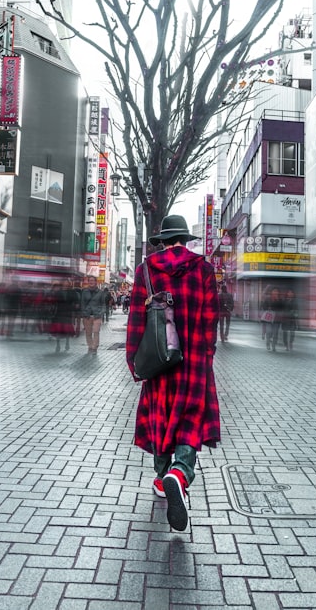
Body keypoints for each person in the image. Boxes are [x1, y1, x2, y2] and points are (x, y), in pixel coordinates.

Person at [125, 215, 220, 532]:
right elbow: (210, 319)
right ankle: (179, 473)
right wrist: (206, 354)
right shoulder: (203, 268)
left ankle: (162, 476)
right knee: (190, 419)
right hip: (192, 361)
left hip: (158, 358)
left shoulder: (146, 270)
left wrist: (133, 360)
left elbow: (137, 318)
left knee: (160, 417)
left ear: (163, 241)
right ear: (186, 240)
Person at [80, 277, 108, 353]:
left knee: (96, 331)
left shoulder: (100, 292)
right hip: (87, 315)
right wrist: (84, 312)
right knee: (88, 332)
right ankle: (90, 346)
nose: (91, 282)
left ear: (96, 282)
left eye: (93, 280)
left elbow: (103, 304)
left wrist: (101, 312)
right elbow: (82, 303)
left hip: (97, 315)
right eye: (90, 281)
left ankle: (95, 347)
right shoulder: (84, 291)